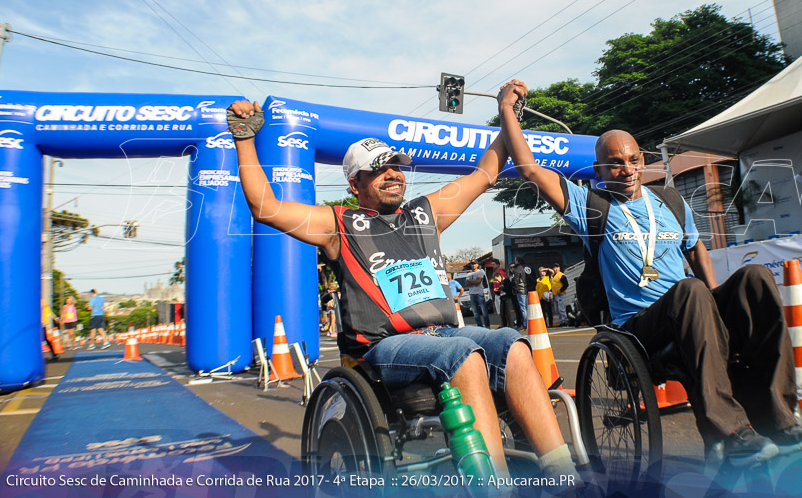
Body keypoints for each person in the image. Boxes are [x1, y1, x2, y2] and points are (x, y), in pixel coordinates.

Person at [226, 96, 578, 481]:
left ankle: (565, 478)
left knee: (512, 343)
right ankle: (495, 485)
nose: (392, 173)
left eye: (395, 166)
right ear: (354, 183)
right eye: (378, 169)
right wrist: (245, 139)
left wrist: (508, 111)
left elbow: (485, 174)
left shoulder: (425, 212)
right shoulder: (338, 223)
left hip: (444, 333)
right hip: (387, 346)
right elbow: (266, 207)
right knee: (464, 354)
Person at [497, 79, 802, 468]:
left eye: (633, 159)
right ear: (600, 168)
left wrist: (717, 300)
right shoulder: (591, 205)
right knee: (689, 291)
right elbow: (530, 170)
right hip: (638, 325)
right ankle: (730, 432)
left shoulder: (669, 200)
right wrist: (507, 111)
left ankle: (778, 420)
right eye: (616, 162)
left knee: (754, 279)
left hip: (692, 307)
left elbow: (696, 247)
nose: (627, 169)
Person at [464, 261, 490, 329]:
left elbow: (478, 282)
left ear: (477, 265)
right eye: (472, 264)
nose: (473, 265)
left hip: (479, 293)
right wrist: (473, 282)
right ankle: (479, 326)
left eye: (474, 264)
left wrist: (470, 281)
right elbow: (466, 284)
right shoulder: (469, 273)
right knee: (475, 312)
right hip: (472, 294)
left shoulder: (480, 272)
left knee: (484, 311)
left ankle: (487, 326)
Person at [509, 260, 528, 329]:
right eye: (511, 267)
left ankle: (525, 323)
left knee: (523, 308)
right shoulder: (511, 276)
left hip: (520, 291)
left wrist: (516, 288)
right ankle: (521, 323)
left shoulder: (517, 272)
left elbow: (516, 282)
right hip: (516, 293)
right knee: (519, 309)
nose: (512, 268)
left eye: (513, 267)